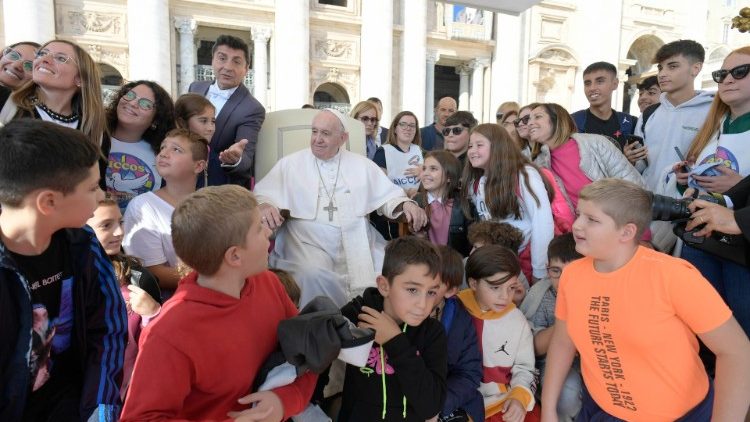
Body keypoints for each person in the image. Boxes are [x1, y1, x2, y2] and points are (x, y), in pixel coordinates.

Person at [542, 178, 750, 421]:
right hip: (604, 411)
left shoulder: (673, 276)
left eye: (592, 220)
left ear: (627, 232)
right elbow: (563, 342)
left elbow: (737, 353)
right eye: (579, 214)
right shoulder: (573, 275)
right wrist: (548, 409)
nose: (576, 226)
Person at [120, 185, 317, 421]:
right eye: (258, 228)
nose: (268, 233)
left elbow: (308, 352)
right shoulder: (169, 334)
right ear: (234, 256)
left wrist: (284, 402)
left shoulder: (269, 284)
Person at [0, 120, 126, 421]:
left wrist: (100, 408)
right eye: (93, 187)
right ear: (49, 201)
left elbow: (107, 332)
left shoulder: (83, 246)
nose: (100, 196)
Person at [254, 109, 428, 307]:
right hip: (305, 241)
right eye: (314, 132)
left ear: (343, 138)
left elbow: (389, 196)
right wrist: (265, 204)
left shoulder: (362, 165)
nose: (317, 139)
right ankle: (323, 329)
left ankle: (370, 331)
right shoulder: (290, 165)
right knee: (312, 274)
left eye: (325, 134)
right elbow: (263, 194)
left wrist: (405, 203)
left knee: (387, 271)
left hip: (358, 240)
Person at [663, 46, 750, 336]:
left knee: (740, 328)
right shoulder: (714, 126)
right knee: (700, 324)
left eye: (740, 72)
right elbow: (698, 182)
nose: (727, 80)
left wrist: (738, 188)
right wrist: (686, 181)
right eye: (721, 74)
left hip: (741, 249)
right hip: (702, 240)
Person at [338, 236, 447, 422]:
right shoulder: (354, 317)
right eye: (412, 290)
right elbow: (313, 363)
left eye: (431, 292)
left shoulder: (433, 333)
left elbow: (431, 406)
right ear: (384, 286)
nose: (423, 304)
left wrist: (395, 341)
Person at [86, 198, 161, 401]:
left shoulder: (138, 277)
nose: (119, 232)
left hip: (128, 392)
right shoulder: (72, 280)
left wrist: (153, 313)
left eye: (120, 222)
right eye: (106, 225)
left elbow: (157, 344)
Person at [9, 39, 109, 187]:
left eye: (60, 58)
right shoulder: (8, 106)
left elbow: (96, 189)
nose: (44, 59)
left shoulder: (94, 131)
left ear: (80, 78)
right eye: (42, 54)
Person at [462, 123, 554, 282]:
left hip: (527, 259)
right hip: (498, 260)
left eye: (479, 145)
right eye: (470, 146)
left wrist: (539, 270)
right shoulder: (478, 182)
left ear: (498, 146)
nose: (472, 151)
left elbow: (543, 222)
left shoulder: (525, 175)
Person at [123, 129, 209, 298]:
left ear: (198, 165)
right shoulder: (143, 206)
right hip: (175, 300)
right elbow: (154, 273)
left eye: (176, 149)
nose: (163, 154)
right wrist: (216, 274)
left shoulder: (212, 203)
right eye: (163, 148)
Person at [458, 245, 537, 422]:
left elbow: (525, 368)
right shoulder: (454, 308)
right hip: (458, 402)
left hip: (500, 403)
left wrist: (518, 397)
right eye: (495, 288)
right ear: (473, 283)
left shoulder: (517, 320)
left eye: (511, 288)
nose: (505, 296)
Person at [529, 103, 645, 209]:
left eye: (538, 117)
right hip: (578, 230)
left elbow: (632, 184)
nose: (530, 123)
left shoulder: (596, 143)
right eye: (529, 119)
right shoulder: (538, 164)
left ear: (556, 119)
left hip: (619, 222)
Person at [633, 39, 714, 190]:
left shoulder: (713, 112)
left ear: (695, 68)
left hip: (690, 205)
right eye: (660, 68)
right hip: (647, 201)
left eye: (672, 66)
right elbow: (641, 166)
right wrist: (631, 159)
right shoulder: (649, 114)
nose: (662, 74)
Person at [519, 233, 582, 422]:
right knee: (567, 392)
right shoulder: (543, 295)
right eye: (556, 271)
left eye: (573, 272)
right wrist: (567, 323)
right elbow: (533, 348)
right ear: (547, 270)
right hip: (549, 363)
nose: (563, 279)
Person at [188, 34, 265, 187]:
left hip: (215, 185)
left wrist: (235, 159)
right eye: (222, 58)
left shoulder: (252, 108)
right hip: (180, 176)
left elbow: (246, 158)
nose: (228, 67)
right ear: (212, 60)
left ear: (246, 69)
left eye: (236, 61)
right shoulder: (195, 87)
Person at [106, 80, 175, 210]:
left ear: (156, 119)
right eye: (130, 95)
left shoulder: (162, 154)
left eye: (145, 104)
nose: (132, 103)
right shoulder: (92, 136)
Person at [433, 245, 483, 422]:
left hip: (445, 399)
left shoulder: (459, 318)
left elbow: (469, 373)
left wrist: (437, 406)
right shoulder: (400, 313)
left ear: (451, 291)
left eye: (432, 288)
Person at [372, 111, 424, 239]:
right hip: (392, 211)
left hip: (419, 205)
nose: (408, 128)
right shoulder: (383, 152)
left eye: (412, 126)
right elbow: (379, 185)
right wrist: (405, 191)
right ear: (395, 128)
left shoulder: (421, 152)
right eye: (403, 124)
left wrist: (425, 172)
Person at [413, 150, 471, 256]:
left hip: (455, 266)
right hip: (425, 263)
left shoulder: (464, 204)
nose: (425, 173)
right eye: (424, 168)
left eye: (433, 169)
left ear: (449, 176)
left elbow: (470, 243)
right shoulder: (415, 202)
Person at [571, 62, 637, 148]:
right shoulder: (572, 122)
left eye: (599, 82)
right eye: (587, 83)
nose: (592, 88)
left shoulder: (630, 123)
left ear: (615, 84)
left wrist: (629, 160)